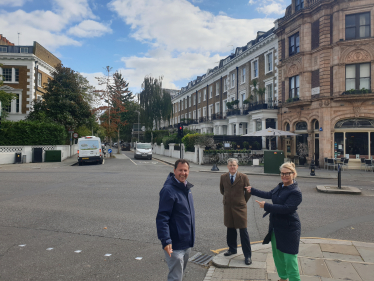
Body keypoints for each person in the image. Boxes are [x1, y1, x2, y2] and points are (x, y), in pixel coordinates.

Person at [246, 162, 302, 281]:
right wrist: (253, 190)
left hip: (289, 228)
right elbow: (270, 194)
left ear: (294, 174)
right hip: (276, 227)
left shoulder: (295, 192)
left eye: (287, 173)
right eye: (282, 173)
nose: (284, 176)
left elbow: (286, 208)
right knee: (278, 256)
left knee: (290, 258)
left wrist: (266, 206)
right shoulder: (280, 186)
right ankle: (283, 277)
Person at [156, 159, 195, 281]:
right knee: (176, 277)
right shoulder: (168, 190)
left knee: (180, 275)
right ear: (174, 171)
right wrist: (166, 240)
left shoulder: (186, 188)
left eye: (185, 170)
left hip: (186, 242)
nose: (183, 173)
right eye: (180, 170)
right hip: (175, 243)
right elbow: (162, 218)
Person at [220, 158, 252, 265]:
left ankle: (247, 255)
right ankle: (232, 249)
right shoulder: (223, 177)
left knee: (243, 231)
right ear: (227, 166)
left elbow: (248, 192)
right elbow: (222, 190)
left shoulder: (243, 177)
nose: (232, 167)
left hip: (240, 207)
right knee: (230, 229)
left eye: (234, 165)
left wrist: (242, 201)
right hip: (228, 207)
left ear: (237, 166)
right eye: (230, 165)